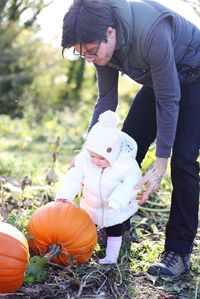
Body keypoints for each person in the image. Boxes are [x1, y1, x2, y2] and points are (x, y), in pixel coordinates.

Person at [61, 0, 200, 276]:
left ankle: (178, 251)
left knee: (182, 158)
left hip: (195, 77)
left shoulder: (152, 32)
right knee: (123, 148)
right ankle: (117, 227)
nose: (89, 58)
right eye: (82, 54)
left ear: (110, 32)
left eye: (90, 51)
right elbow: (106, 99)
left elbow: (169, 99)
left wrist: (160, 164)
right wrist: (88, 153)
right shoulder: (100, 47)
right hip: (158, 80)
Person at [55, 110, 142, 264]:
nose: (95, 161)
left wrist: (118, 200)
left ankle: (111, 257)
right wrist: (65, 194)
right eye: (92, 156)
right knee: (87, 230)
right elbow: (74, 176)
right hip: (91, 206)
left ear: (113, 153)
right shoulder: (85, 162)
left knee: (115, 232)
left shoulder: (124, 164)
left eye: (101, 158)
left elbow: (132, 182)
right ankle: (86, 250)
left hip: (114, 208)